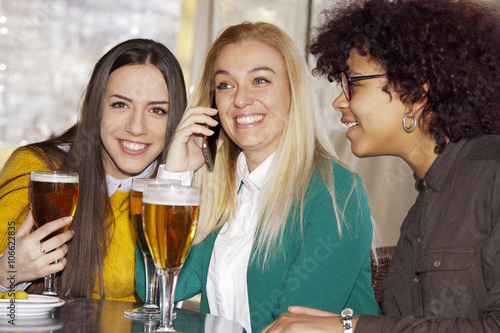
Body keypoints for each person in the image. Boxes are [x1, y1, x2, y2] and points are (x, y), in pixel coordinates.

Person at [263, 0, 500, 332]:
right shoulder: (421, 212)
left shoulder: (493, 175)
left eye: (353, 83)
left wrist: (349, 327)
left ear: (415, 91)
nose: (339, 101)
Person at [135, 22, 381, 333]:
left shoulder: (334, 189)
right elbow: (153, 292)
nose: (240, 100)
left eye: (260, 80)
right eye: (225, 85)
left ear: (293, 93)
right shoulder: (219, 190)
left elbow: (289, 326)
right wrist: (174, 174)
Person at [0, 38, 187, 301]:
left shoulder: (181, 184)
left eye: (157, 110)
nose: (136, 127)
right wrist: (6, 272)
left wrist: (174, 177)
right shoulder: (37, 169)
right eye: (120, 104)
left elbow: (163, 288)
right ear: (96, 107)